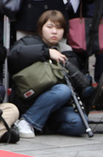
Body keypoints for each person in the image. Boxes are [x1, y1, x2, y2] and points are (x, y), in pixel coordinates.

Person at [8, 10, 89, 138]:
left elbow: (79, 83)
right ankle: (26, 121)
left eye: (59, 27)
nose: (54, 32)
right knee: (62, 90)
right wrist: (46, 52)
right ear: (41, 28)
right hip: (30, 101)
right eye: (49, 27)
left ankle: (39, 124)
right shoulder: (28, 42)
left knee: (80, 124)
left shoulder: (67, 52)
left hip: (58, 107)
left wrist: (65, 62)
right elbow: (13, 56)